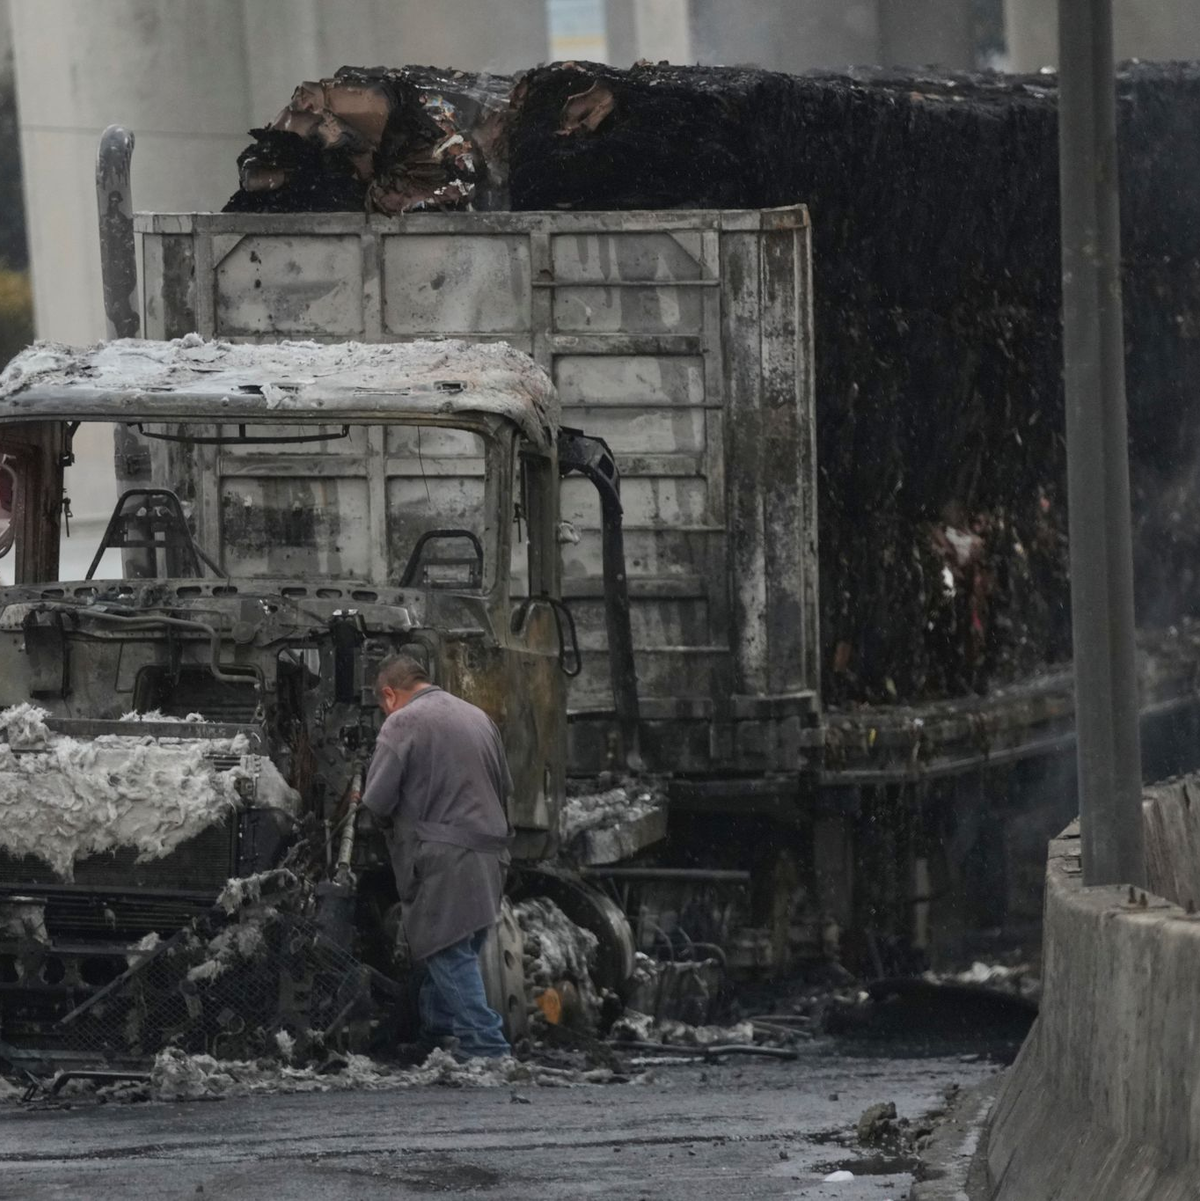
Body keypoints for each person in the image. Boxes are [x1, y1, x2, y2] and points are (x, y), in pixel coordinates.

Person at [361, 652, 513, 1061]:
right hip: (491, 854)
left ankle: (488, 1046)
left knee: (446, 952)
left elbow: (377, 802)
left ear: (389, 695)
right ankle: (434, 1036)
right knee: (451, 950)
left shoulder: (402, 722)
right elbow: (504, 786)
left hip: (443, 857)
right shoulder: (478, 717)